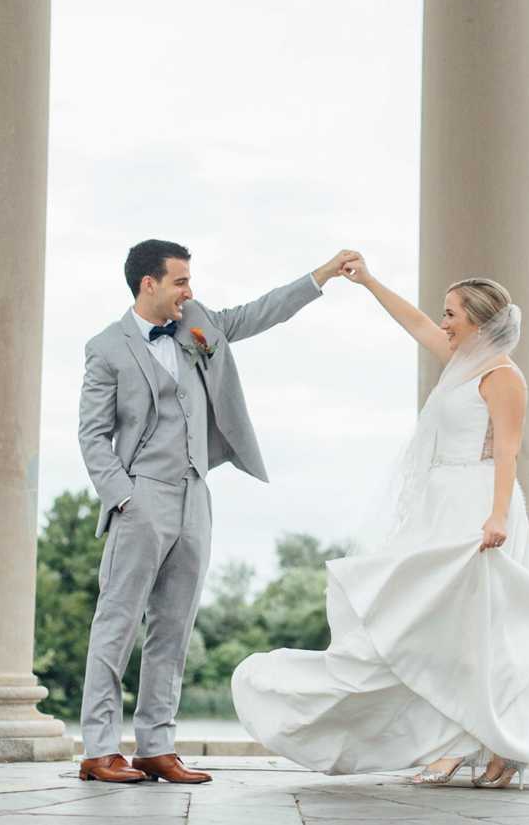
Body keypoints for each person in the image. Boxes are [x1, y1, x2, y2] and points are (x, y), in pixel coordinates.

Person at [231, 254, 529, 789]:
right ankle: (460, 742)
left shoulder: (504, 376)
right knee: (418, 623)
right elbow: (412, 321)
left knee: (476, 630)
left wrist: (498, 515)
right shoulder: (460, 361)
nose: (443, 322)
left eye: (452, 313)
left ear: (478, 320)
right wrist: (367, 282)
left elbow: (508, 450)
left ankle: (489, 745)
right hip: (437, 504)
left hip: (477, 507)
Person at [74, 239, 360, 785]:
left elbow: (258, 313)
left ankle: (156, 745)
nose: (190, 290)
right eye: (180, 281)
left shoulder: (198, 323)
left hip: (195, 494)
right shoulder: (106, 348)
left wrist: (322, 275)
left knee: (174, 627)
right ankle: (99, 749)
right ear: (148, 284)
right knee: (117, 624)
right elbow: (92, 434)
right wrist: (123, 496)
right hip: (141, 495)